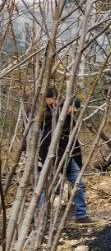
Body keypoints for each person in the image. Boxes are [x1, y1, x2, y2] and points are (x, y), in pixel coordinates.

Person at [38, 88, 93, 224]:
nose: (74, 111)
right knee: (48, 188)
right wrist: (47, 161)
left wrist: (77, 161)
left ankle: (81, 215)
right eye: (73, 107)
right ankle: (41, 217)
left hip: (69, 159)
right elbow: (45, 143)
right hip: (54, 160)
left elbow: (74, 143)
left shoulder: (68, 119)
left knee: (79, 184)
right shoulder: (51, 118)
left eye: (76, 108)